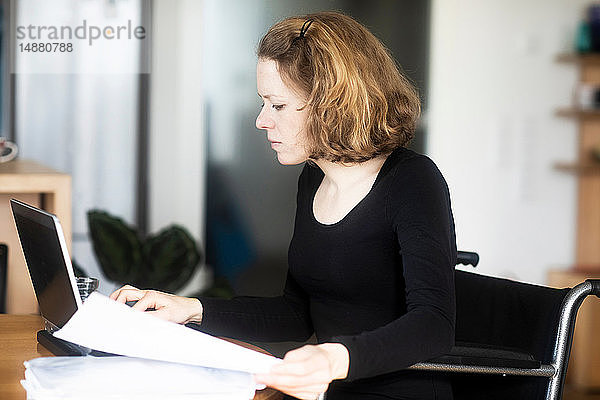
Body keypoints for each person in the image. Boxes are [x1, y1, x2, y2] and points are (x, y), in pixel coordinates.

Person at [111, 11, 457, 400]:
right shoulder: (313, 179)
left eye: (277, 106)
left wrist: (333, 360)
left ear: (332, 105)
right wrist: (190, 309)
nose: (261, 121)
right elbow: (297, 314)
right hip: (325, 389)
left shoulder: (412, 181)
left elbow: (434, 324)